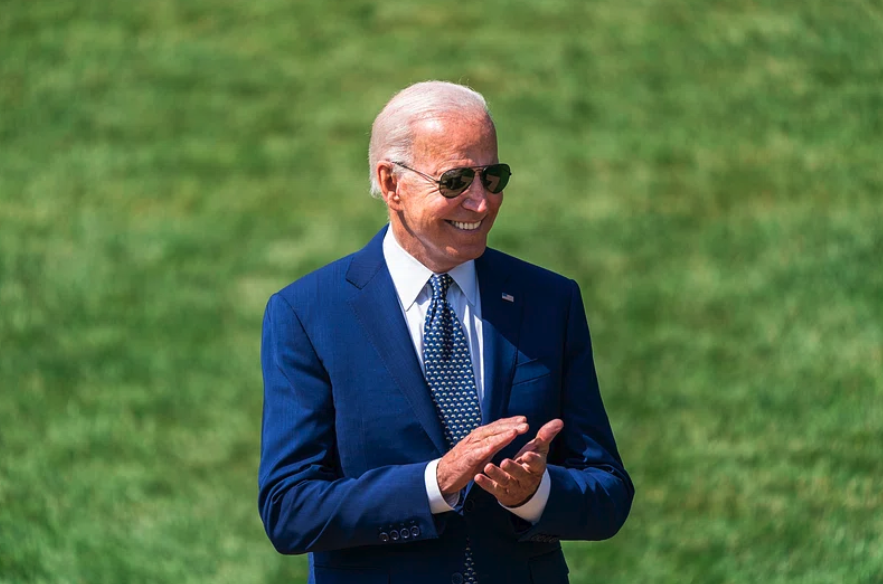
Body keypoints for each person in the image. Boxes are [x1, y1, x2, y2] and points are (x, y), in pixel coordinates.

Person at [258, 81, 634, 584]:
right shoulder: (308, 313)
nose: (481, 204)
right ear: (391, 184)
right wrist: (435, 483)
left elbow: (607, 494)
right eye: (456, 181)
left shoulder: (548, 300)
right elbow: (290, 509)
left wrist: (534, 494)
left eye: (492, 177)